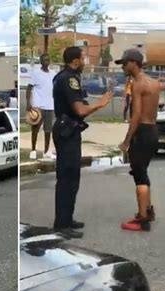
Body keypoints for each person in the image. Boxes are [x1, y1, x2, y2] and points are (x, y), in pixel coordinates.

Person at [52, 46, 112, 238]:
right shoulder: (69, 79)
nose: (85, 62)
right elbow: (80, 110)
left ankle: (67, 219)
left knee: (71, 179)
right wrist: (100, 104)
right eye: (83, 59)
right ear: (75, 61)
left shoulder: (64, 76)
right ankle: (62, 225)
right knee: (67, 179)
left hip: (68, 130)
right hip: (66, 132)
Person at [116, 49, 165, 232]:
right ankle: (148, 211)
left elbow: (136, 116)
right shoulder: (153, 83)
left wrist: (127, 140)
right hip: (153, 130)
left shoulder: (138, 84)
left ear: (134, 63)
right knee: (142, 171)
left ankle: (143, 220)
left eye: (124, 63)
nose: (122, 66)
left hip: (142, 132)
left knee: (139, 174)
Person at [26, 54, 57, 160]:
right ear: (40, 61)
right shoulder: (36, 73)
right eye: (44, 60)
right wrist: (28, 103)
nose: (46, 61)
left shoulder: (53, 74)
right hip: (38, 106)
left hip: (50, 106)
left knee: (48, 130)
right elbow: (29, 88)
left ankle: (46, 151)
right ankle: (33, 150)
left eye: (48, 60)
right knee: (35, 129)